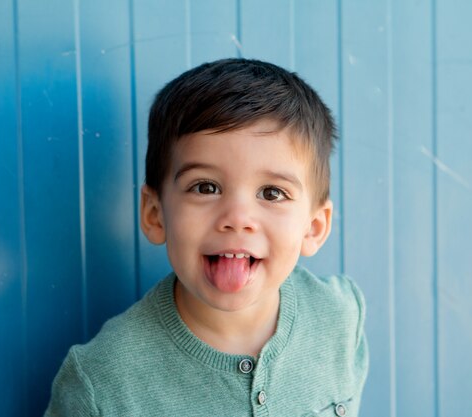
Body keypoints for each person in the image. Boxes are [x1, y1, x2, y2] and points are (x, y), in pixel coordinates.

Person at [45, 58, 368, 416]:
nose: (237, 219)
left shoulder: (340, 315)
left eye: (272, 193)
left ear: (314, 227)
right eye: (206, 187)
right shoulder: (101, 381)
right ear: (155, 215)